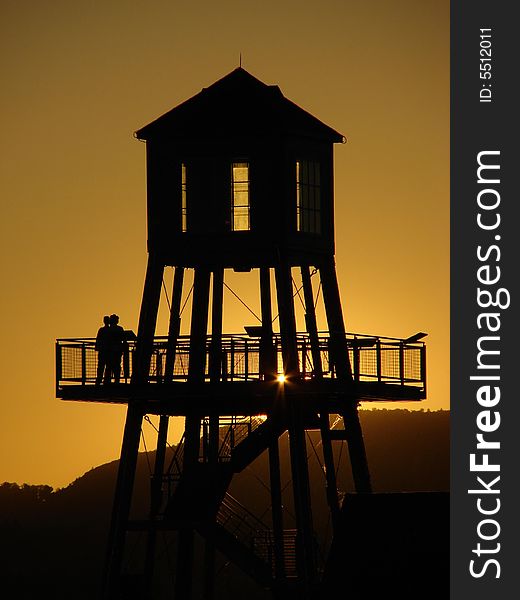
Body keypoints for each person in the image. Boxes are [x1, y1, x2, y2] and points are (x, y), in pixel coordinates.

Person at [107, 314, 126, 384]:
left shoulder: (108, 330)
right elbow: (124, 339)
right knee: (117, 365)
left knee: (109, 365)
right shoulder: (120, 329)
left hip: (110, 350)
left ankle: (108, 380)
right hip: (117, 350)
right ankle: (116, 379)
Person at [95, 315, 111, 385]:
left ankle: (99, 379)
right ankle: (106, 380)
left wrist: (97, 347)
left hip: (103, 351)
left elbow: (98, 339)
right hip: (107, 351)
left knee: (102, 366)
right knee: (107, 366)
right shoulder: (110, 330)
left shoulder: (102, 330)